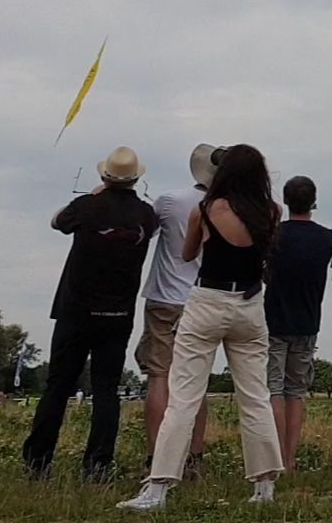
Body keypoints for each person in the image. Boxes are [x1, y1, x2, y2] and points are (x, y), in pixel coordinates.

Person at [117, 144, 283, 512]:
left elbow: (188, 254)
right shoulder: (272, 211)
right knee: (255, 396)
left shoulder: (206, 210)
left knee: (184, 397)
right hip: (250, 305)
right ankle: (265, 486)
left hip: (208, 301)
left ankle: (158, 487)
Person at [22, 147, 157, 481]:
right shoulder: (146, 215)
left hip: (76, 311)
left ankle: (38, 461)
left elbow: (56, 221)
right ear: (136, 178)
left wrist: (95, 195)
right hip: (118, 313)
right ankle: (98, 465)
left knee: (58, 387)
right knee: (106, 390)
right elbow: (153, 231)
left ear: (104, 176)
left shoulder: (86, 206)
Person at [135, 144, 223, 476]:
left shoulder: (171, 201)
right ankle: (194, 456)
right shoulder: (226, 208)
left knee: (160, 376)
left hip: (165, 298)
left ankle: (157, 457)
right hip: (202, 298)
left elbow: (148, 232)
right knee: (195, 382)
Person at [264, 176, 332, 471]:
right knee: (296, 391)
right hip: (307, 320)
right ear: (313, 202)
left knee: (274, 389)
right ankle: (290, 458)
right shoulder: (326, 237)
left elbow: (265, 273)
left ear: (285, 200)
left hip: (274, 318)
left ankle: (274, 457)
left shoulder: (273, 235)